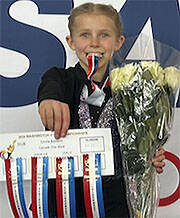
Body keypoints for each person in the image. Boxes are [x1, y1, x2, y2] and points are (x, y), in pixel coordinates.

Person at [37, 3, 165, 217]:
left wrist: (148, 156)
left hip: (116, 203)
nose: (94, 43)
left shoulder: (132, 89)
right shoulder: (61, 79)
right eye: (85, 35)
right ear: (71, 41)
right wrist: (49, 100)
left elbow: (138, 145)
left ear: (118, 42)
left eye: (104, 35)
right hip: (66, 202)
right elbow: (50, 85)